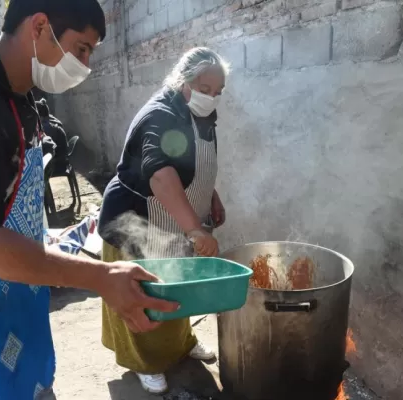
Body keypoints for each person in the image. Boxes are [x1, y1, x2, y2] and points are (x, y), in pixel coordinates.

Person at [0, 1, 177, 399]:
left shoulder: (14, 93)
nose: (85, 64)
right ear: (41, 26)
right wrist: (99, 276)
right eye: (82, 48)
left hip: (12, 286)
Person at [98, 47, 229, 394]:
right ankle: (144, 363)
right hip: (137, 219)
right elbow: (161, 177)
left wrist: (210, 197)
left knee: (177, 288)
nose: (211, 98)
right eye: (204, 88)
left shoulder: (201, 114)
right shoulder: (161, 115)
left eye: (217, 92)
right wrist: (195, 229)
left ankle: (182, 344)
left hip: (176, 218)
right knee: (142, 293)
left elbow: (198, 166)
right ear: (183, 80)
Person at [36, 98, 69, 175]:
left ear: (39, 116)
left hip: (55, 168)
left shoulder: (44, 128)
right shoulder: (54, 122)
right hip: (62, 164)